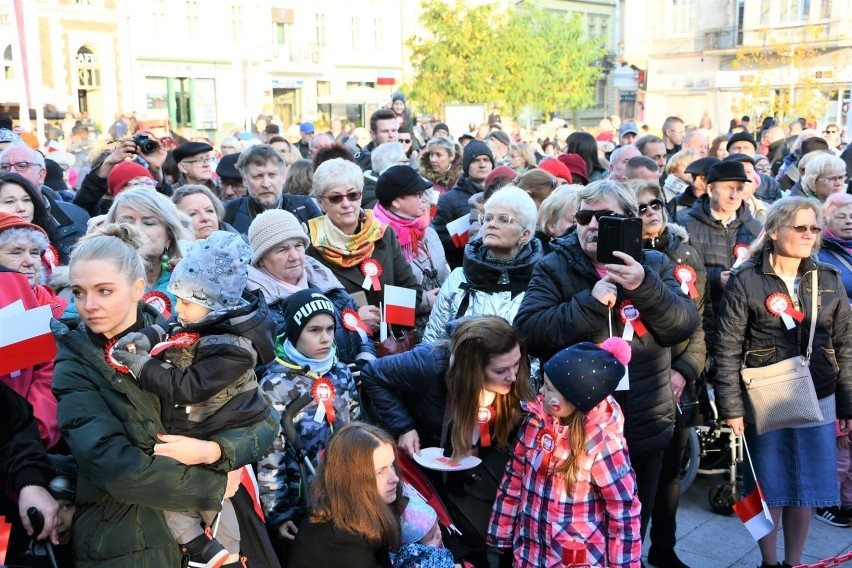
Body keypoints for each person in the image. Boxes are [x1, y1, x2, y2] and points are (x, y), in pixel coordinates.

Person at [51, 224, 278, 567]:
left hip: (213, 527)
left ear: (138, 288)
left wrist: (217, 450)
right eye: (78, 292)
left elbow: (263, 420)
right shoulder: (75, 364)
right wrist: (214, 485)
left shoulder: (192, 335)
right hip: (126, 538)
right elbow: (117, 468)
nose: (89, 305)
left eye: (104, 290)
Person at [514, 179, 700, 539]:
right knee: (578, 530)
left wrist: (644, 286)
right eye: (584, 217)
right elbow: (529, 331)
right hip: (577, 426)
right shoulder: (555, 266)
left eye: (606, 217)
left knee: (631, 524)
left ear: (630, 221)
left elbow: (683, 325)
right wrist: (590, 304)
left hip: (642, 420)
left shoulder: (657, 263)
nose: (593, 225)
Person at [713, 197, 852, 568]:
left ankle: (793, 563)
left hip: (818, 392)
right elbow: (726, 347)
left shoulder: (828, 278)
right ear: (773, 231)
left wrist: (848, 404)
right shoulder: (746, 279)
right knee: (768, 488)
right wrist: (731, 407)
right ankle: (769, 564)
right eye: (800, 228)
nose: (809, 235)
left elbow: (845, 343)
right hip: (764, 395)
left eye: (814, 229)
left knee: (805, 489)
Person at [361, 316, 532, 561]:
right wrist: (404, 426)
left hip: (465, 463)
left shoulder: (510, 374)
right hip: (425, 458)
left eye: (516, 365)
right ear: (471, 369)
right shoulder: (428, 364)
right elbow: (372, 375)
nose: (513, 377)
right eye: (500, 371)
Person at [487, 338, 641, 567]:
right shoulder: (537, 419)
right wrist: (500, 533)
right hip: (529, 555)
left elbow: (623, 511)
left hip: (574, 560)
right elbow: (514, 477)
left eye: (549, 388)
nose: (540, 390)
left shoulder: (603, 444)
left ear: (575, 399)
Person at [632, 180, 707, 568]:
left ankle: (664, 547)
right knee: (640, 475)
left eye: (656, 204)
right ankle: (630, 551)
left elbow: (698, 320)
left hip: (678, 379)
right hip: (641, 380)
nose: (651, 212)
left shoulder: (683, 252)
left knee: (671, 472)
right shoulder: (622, 257)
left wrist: (683, 370)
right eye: (641, 207)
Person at [257, 290, 361, 544]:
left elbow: (358, 426)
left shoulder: (341, 371)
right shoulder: (275, 384)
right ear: (295, 332)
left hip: (350, 489)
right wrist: (279, 513)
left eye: (330, 329)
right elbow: (271, 454)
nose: (325, 338)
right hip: (305, 498)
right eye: (314, 330)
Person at [306, 158, 422, 333]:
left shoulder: (383, 234)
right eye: (336, 198)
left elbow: (413, 290)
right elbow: (309, 310)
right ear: (321, 203)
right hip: (342, 348)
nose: (346, 204)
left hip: (390, 343)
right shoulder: (310, 245)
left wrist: (384, 319)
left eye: (353, 195)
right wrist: (352, 318)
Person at [246, 208, 376, 365]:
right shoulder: (254, 307)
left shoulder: (326, 282)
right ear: (261, 259)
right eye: (282, 249)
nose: (294, 256)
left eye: (298, 246)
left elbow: (361, 332)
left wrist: (365, 362)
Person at [423, 185, 542, 348]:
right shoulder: (458, 277)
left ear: (525, 234)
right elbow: (432, 345)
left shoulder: (540, 281)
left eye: (503, 219)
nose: (491, 224)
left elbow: (539, 351)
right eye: (487, 218)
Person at [288, 422, 404, 568]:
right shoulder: (342, 545)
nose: (395, 478)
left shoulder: (354, 508)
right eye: (380, 471)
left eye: (391, 465)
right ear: (350, 480)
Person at [372, 166, 448, 342]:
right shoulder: (378, 238)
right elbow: (381, 300)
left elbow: (444, 270)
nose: (425, 199)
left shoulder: (427, 231)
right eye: (418, 194)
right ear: (397, 201)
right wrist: (423, 302)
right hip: (406, 336)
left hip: (442, 323)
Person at [104, 188, 194, 311]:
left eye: (149, 223)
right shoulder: (96, 279)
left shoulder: (187, 281)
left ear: (168, 236)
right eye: (127, 222)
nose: (137, 229)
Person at [223, 144, 322, 235]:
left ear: (283, 177)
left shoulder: (304, 206)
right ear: (245, 180)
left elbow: (324, 247)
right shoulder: (230, 212)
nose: (266, 184)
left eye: (272, 175)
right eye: (257, 176)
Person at [433, 141, 495, 269]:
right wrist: (465, 239)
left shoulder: (501, 195)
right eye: (476, 160)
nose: (482, 165)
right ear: (467, 166)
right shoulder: (448, 200)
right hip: (466, 268)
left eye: (486, 160)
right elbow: (440, 239)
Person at [391, 493, 458, 568]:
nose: (439, 533)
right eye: (432, 537)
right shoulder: (424, 563)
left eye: (437, 525)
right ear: (413, 547)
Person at [171, 184, 238, 239]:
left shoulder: (244, 250)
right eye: (193, 214)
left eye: (209, 211)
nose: (205, 218)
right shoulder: (171, 254)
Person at [818, 192, 852, 301]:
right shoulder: (816, 253)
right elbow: (822, 297)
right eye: (841, 217)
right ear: (825, 221)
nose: (849, 221)